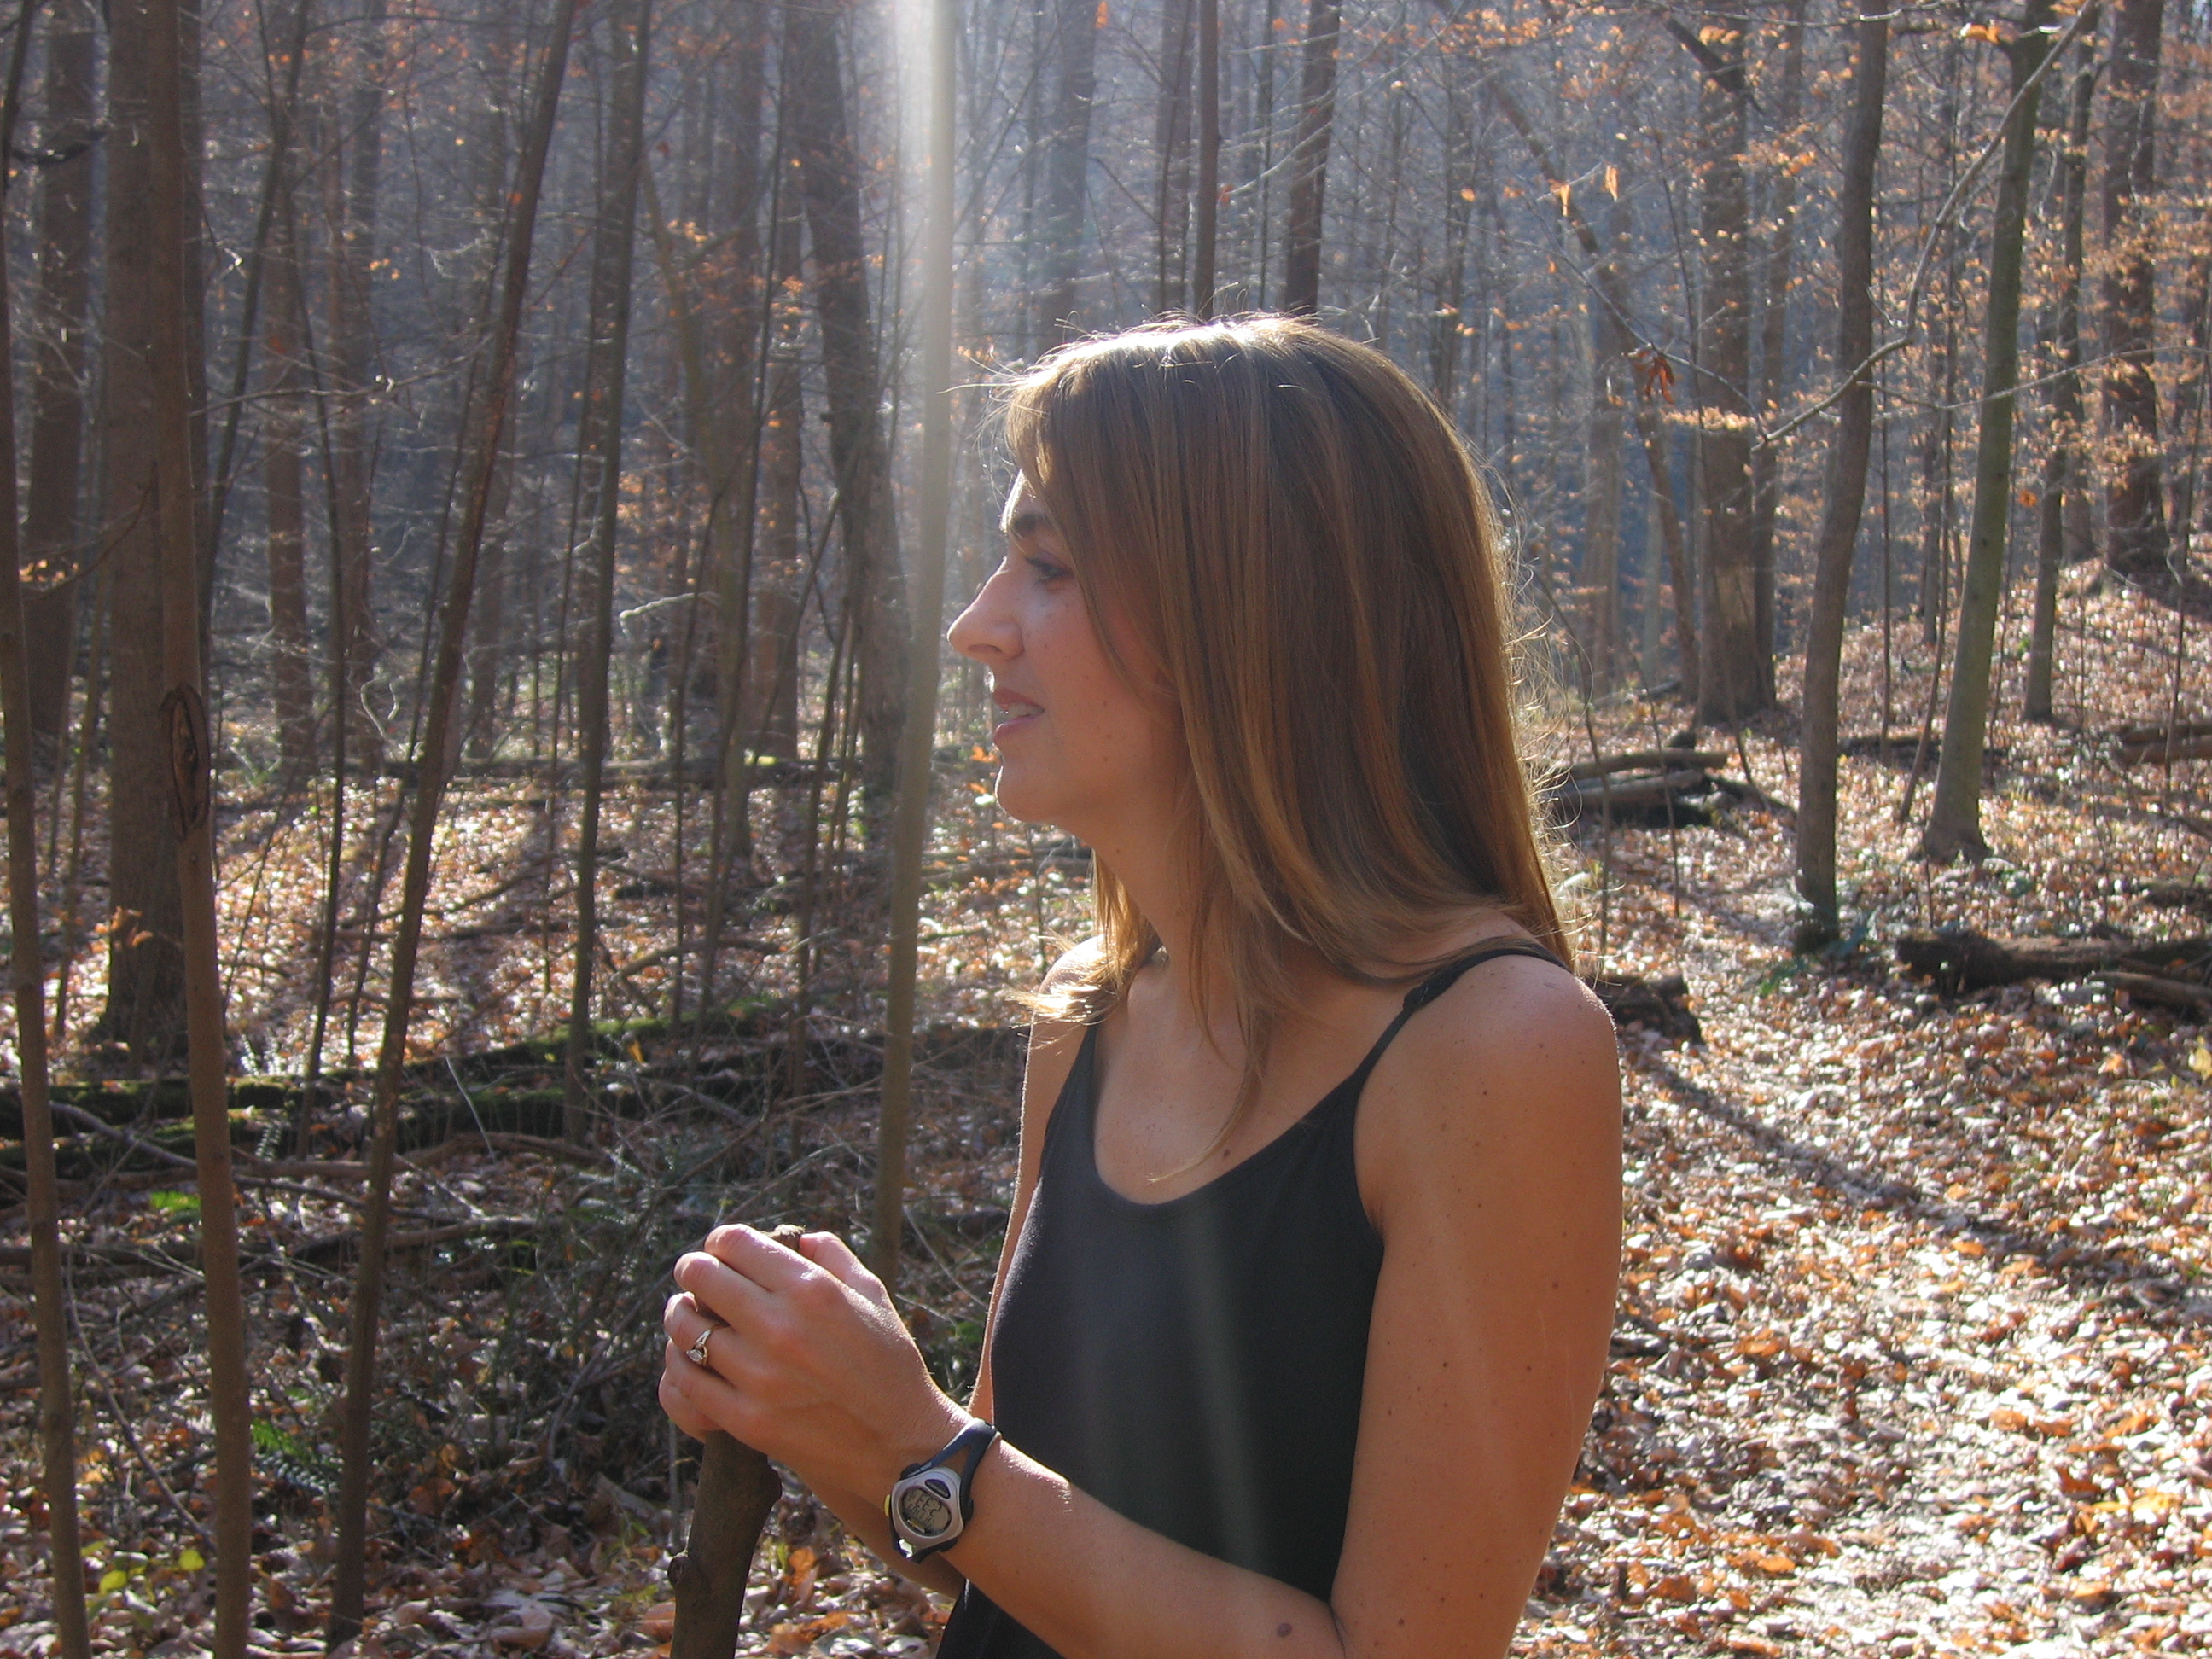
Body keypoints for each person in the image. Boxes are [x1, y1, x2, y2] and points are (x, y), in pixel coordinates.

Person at [659, 317, 1621, 1659]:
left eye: (1048, 566)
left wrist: (923, 1447)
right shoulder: (1091, 1017)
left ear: (1253, 619)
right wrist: (821, 1411)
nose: (976, 627)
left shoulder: (1497, 1052)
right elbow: (992, 1558)